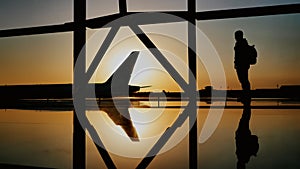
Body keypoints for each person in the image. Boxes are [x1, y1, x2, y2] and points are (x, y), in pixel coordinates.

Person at [234, 30, 251, 103]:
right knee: (244, 81)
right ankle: (245, 96)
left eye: (236, 35)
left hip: (242, 65)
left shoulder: (242, 43)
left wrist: (237, 63)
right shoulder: (241, 43)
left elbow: (240, 55)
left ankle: (246, 96)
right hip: (241, 64)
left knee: (244, 81)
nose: (235, 37)